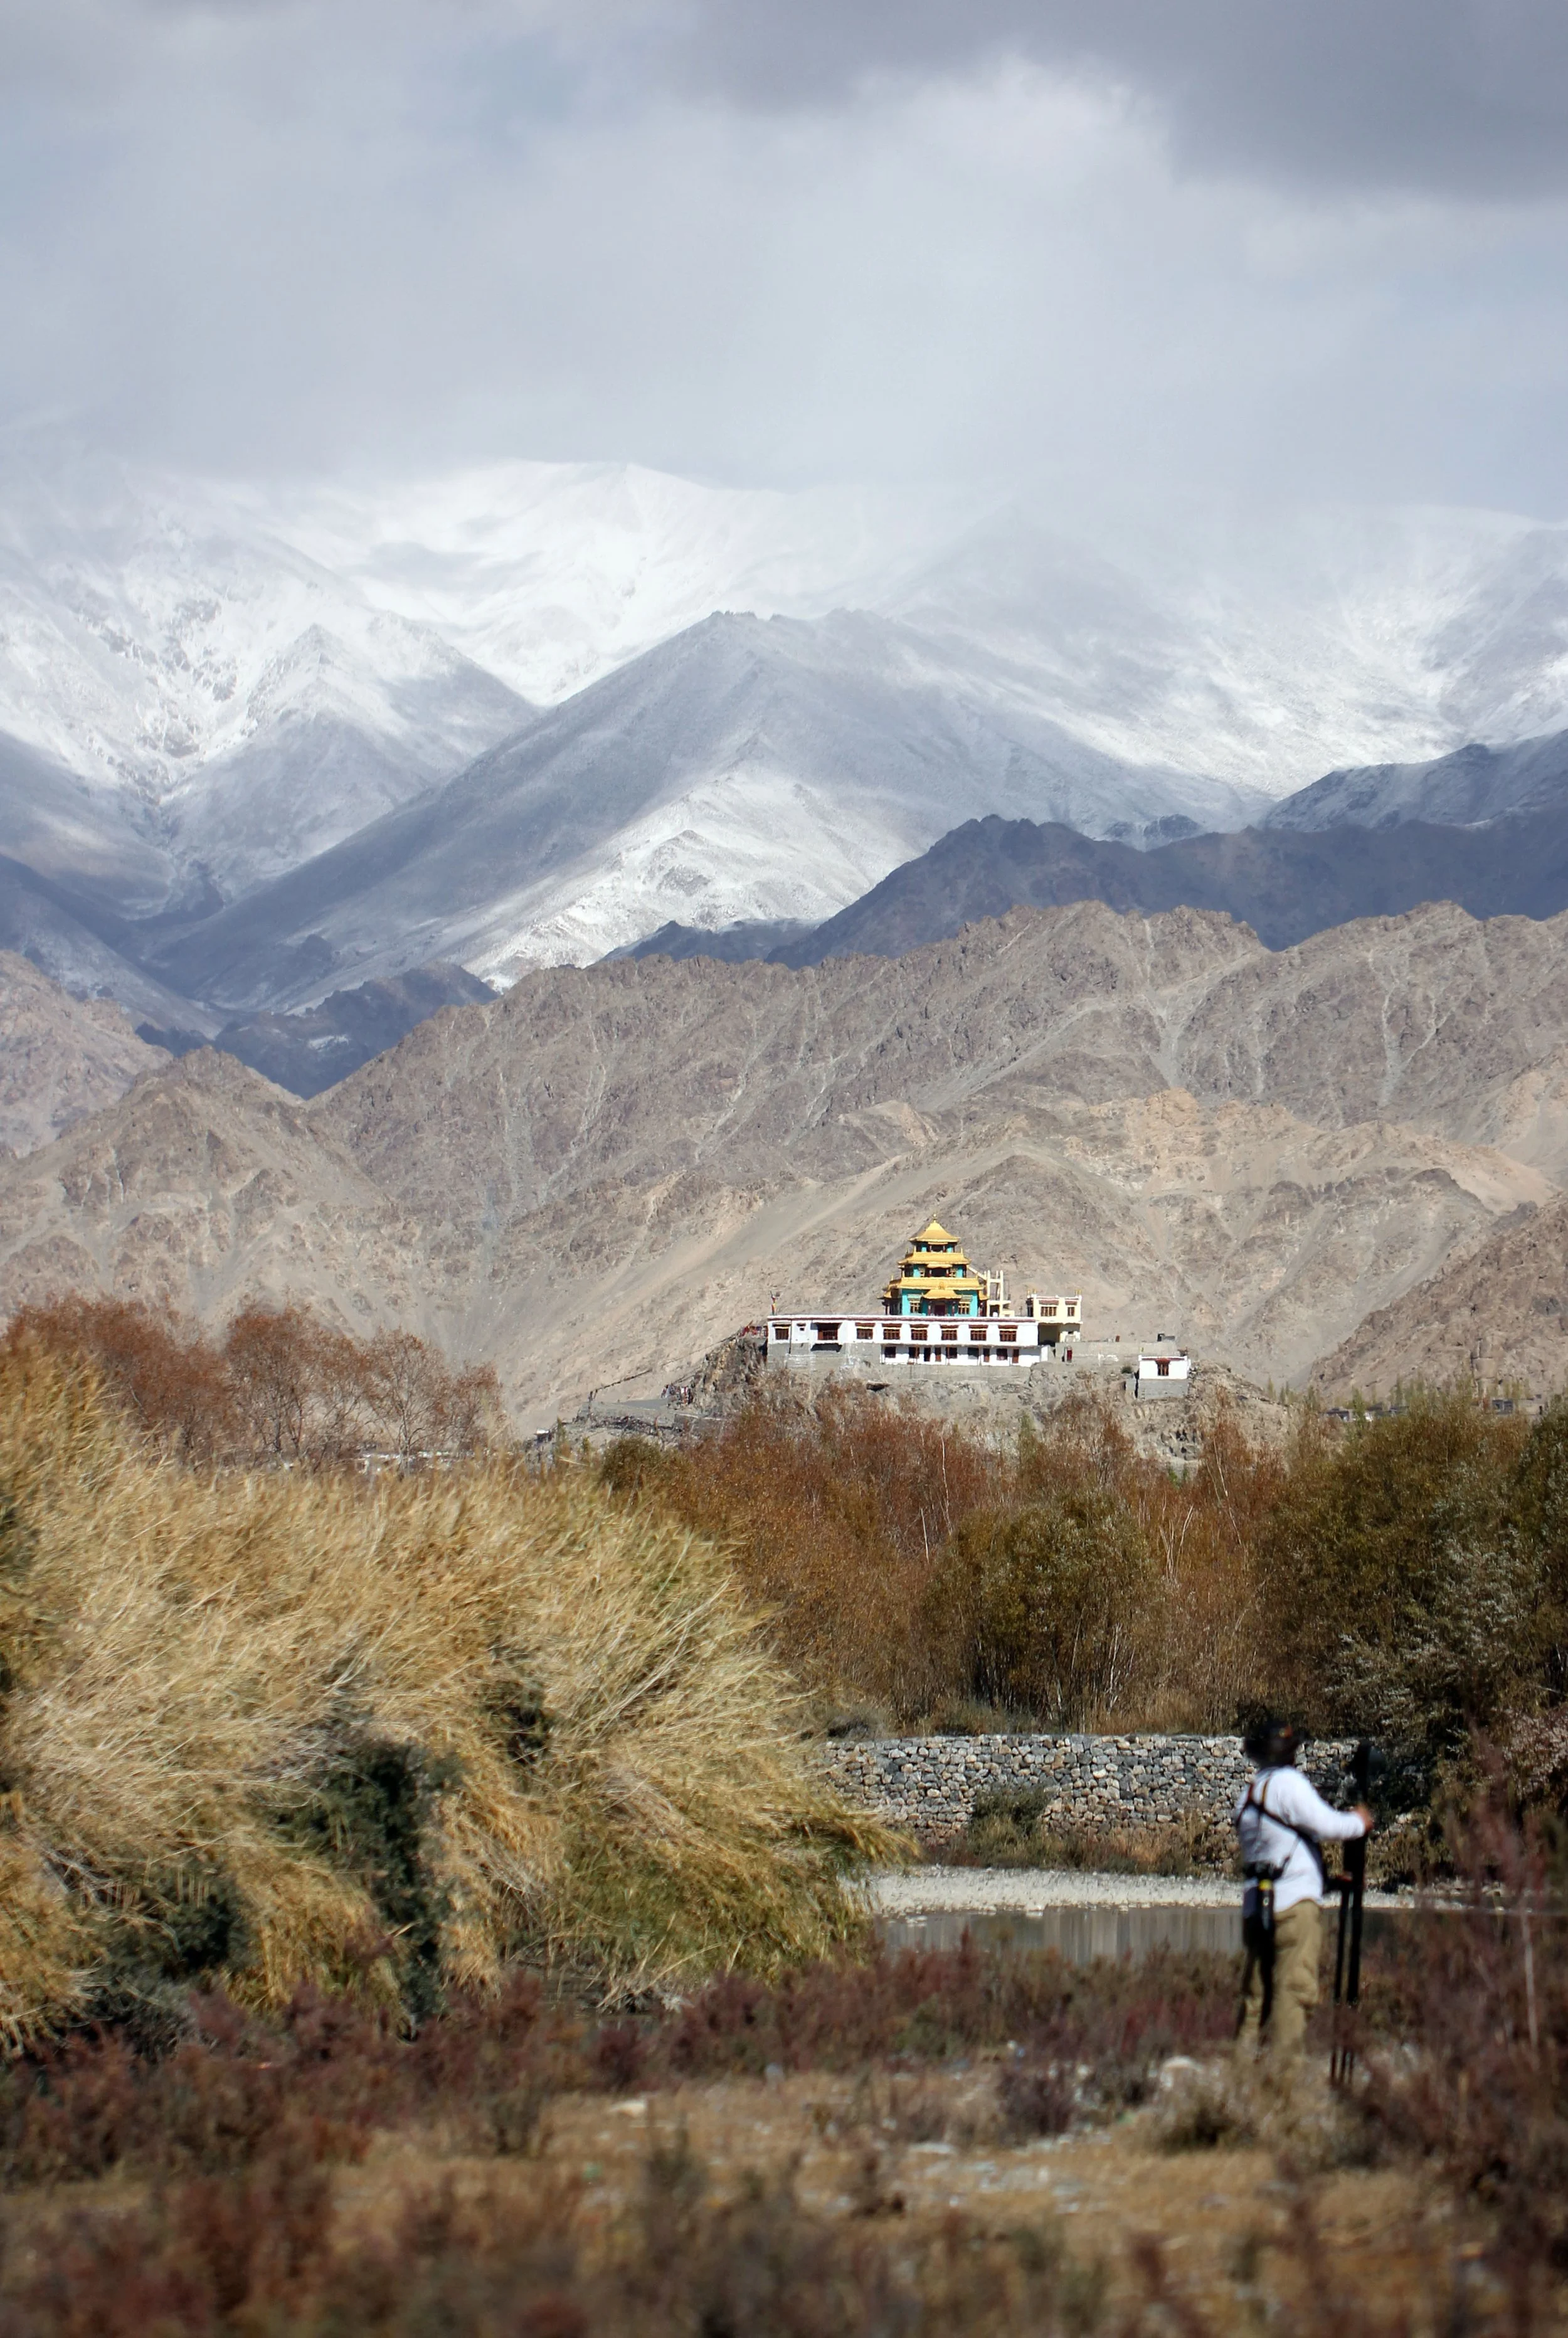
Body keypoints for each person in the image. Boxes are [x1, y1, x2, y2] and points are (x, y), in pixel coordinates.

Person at [1235, 1716, 1374, 2060]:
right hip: (1293, 1908)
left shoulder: (1248, 1795)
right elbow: (1327, 1825)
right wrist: (1359, 1822)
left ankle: (1241, 2075)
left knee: (1256, 1997)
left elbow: (1274, 1850)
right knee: (1293, 1992)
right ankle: (1283, 2082)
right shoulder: (1288, 1784)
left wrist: (1326, 1881)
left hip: (1256, 1906)